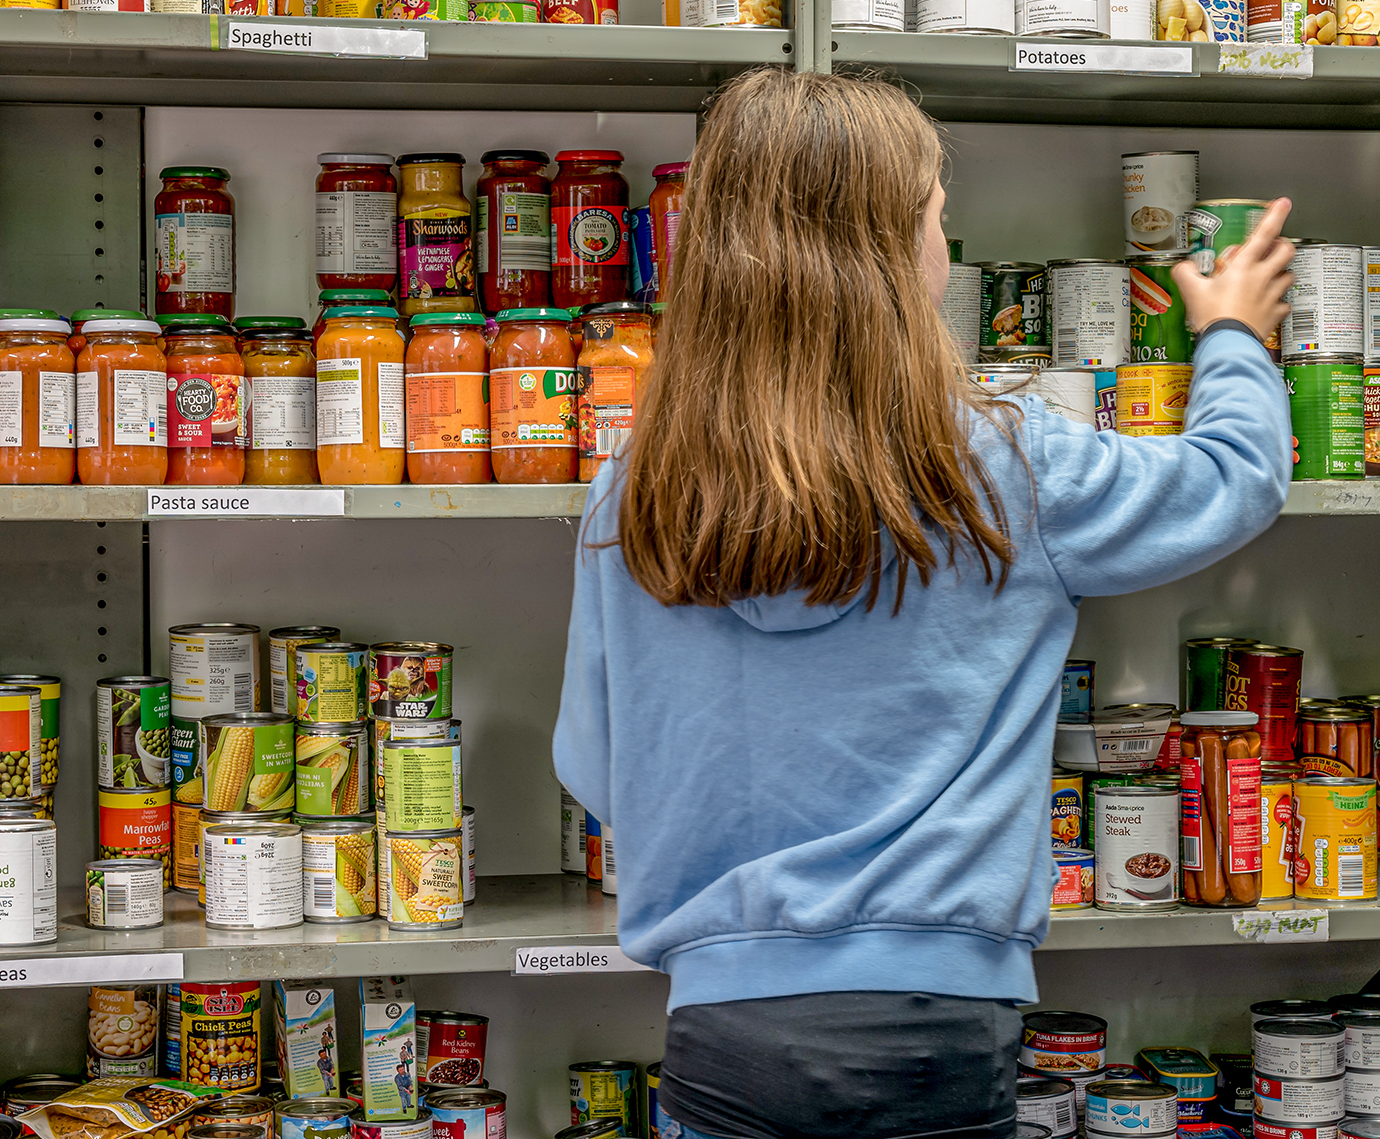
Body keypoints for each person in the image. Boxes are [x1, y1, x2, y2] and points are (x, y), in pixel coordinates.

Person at [553, 68, 1296, 1139]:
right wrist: (1232, 333)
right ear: (895, 253)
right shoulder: (1001, 466)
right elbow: (1233, 479)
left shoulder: (636, 494)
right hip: (936, 1024)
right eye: (939, 221)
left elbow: (593, 765)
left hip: (722, 1032)